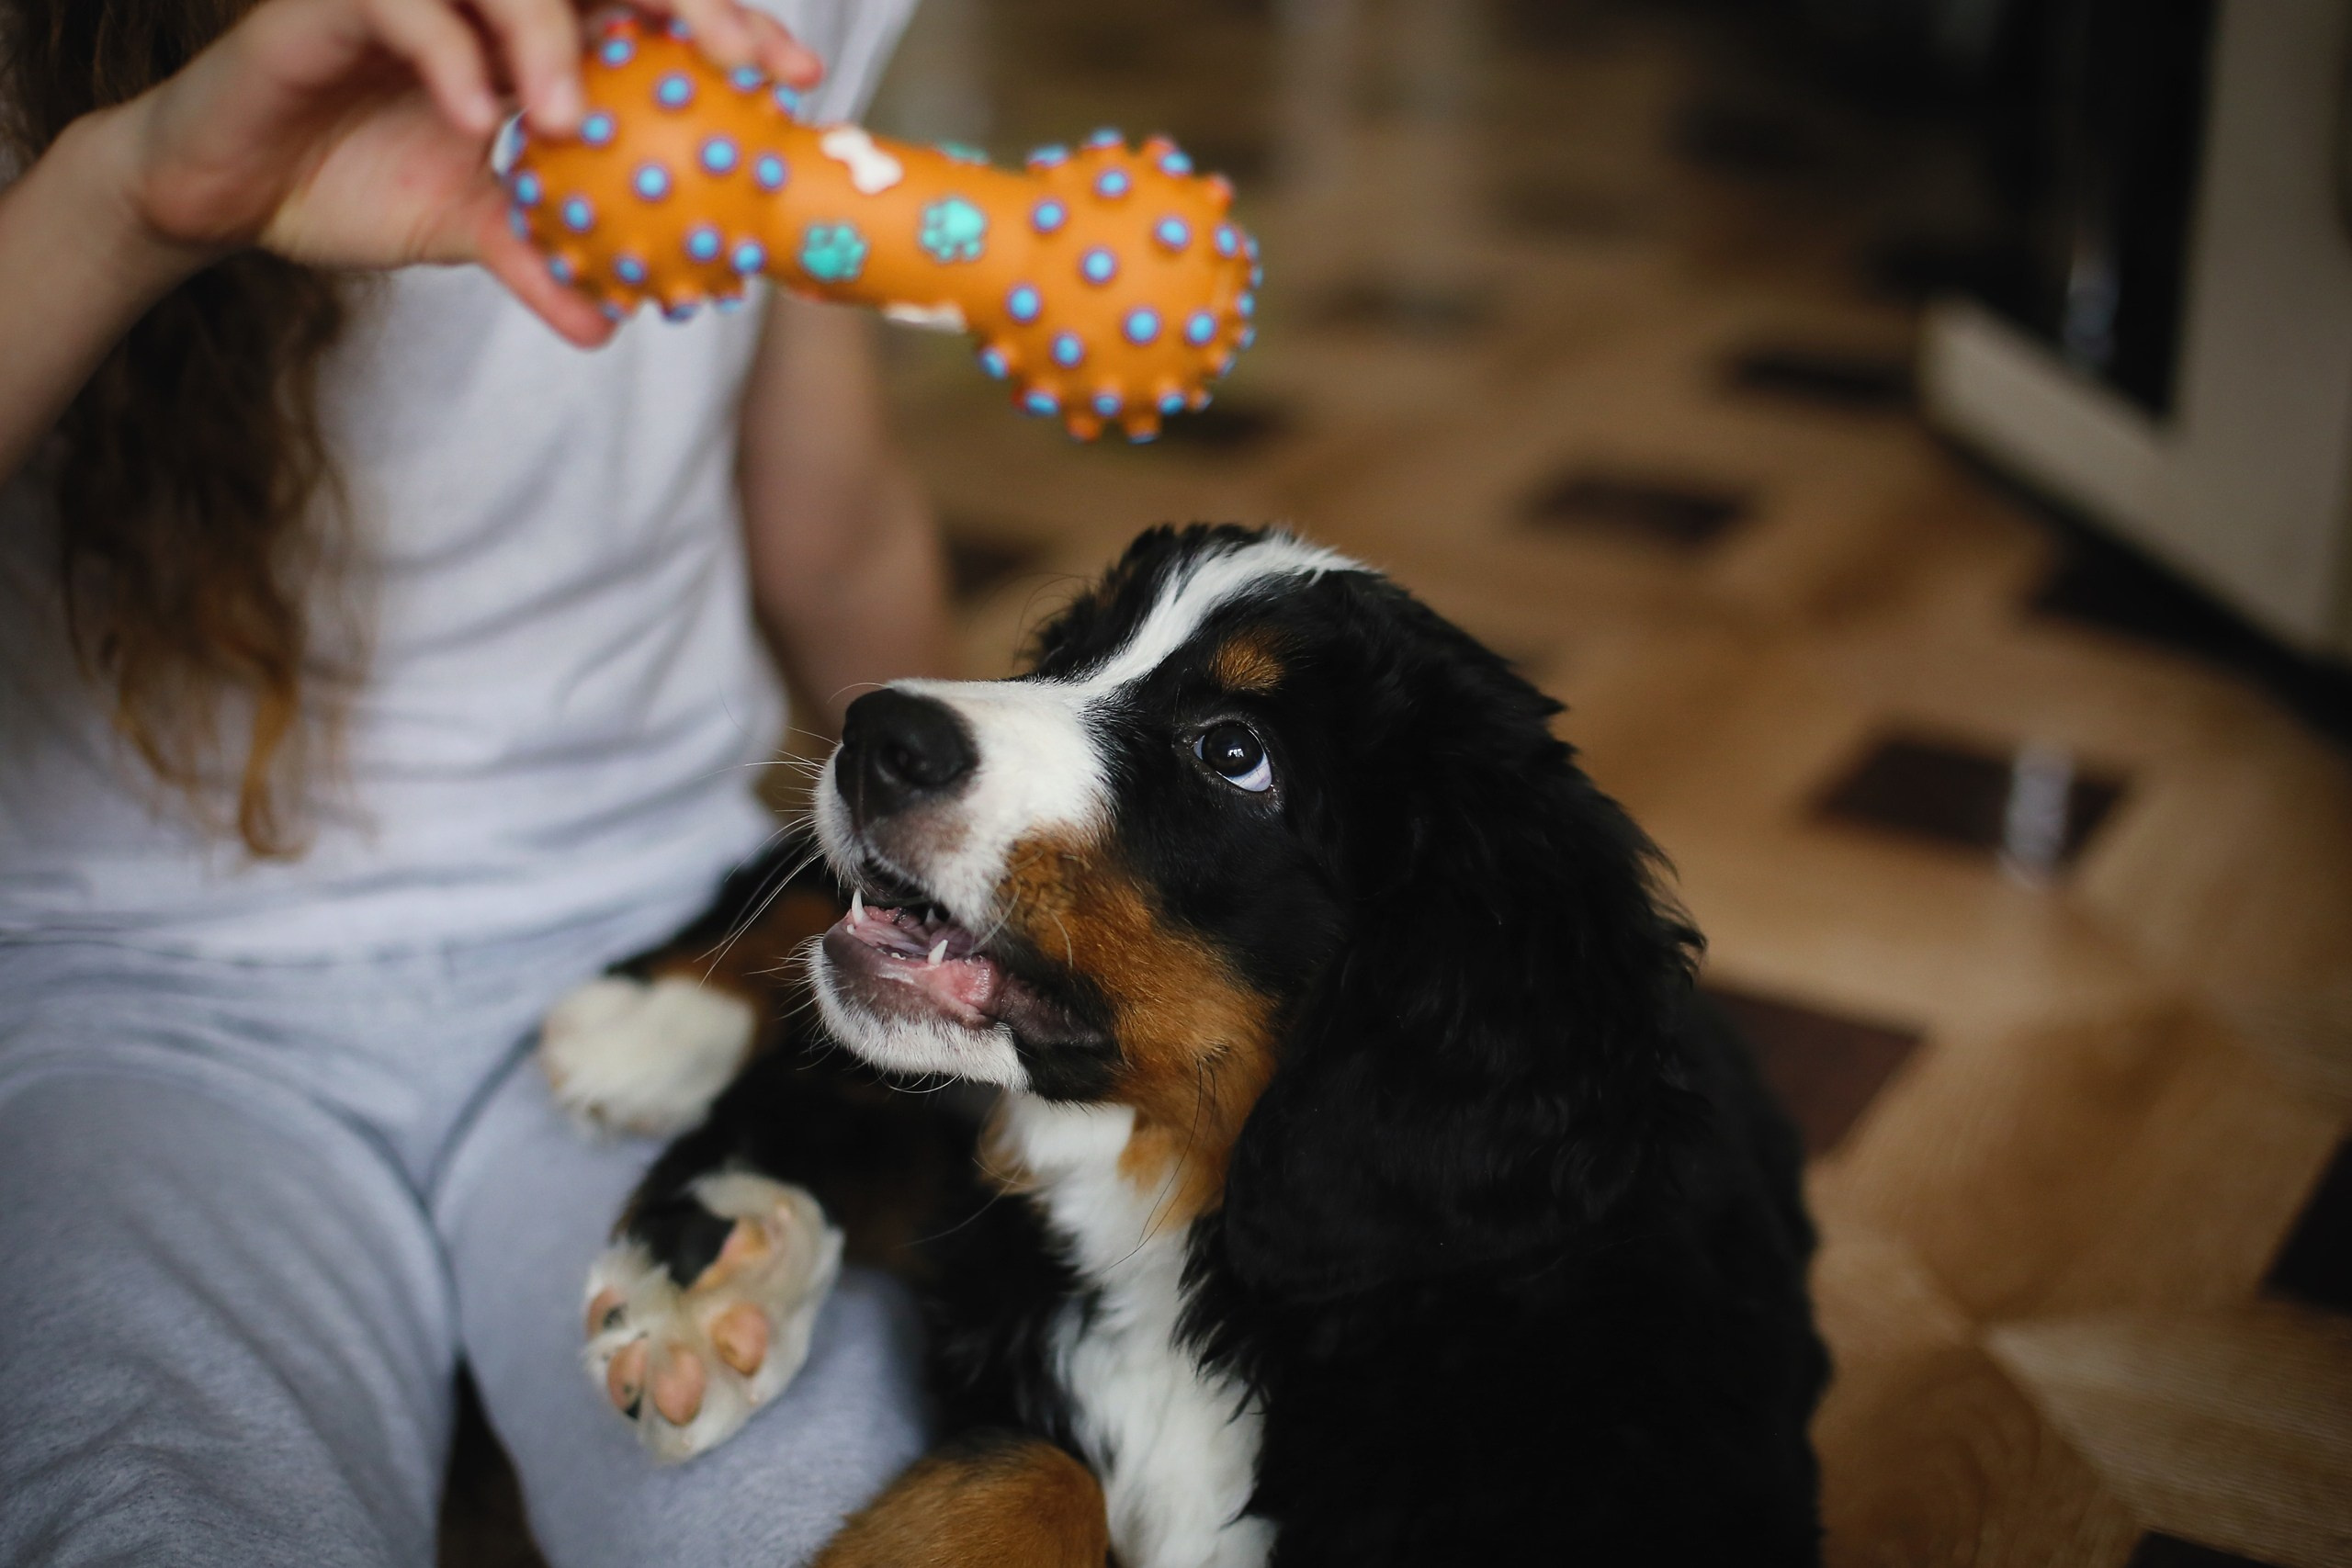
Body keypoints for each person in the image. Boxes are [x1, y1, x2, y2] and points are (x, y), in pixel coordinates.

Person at [0, 0, 953, 1562]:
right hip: (123, 1000)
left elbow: (831, 522)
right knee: (151, 1513)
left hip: (664, 935)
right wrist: (131, 199)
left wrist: (978, 904)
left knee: (846, 1514)